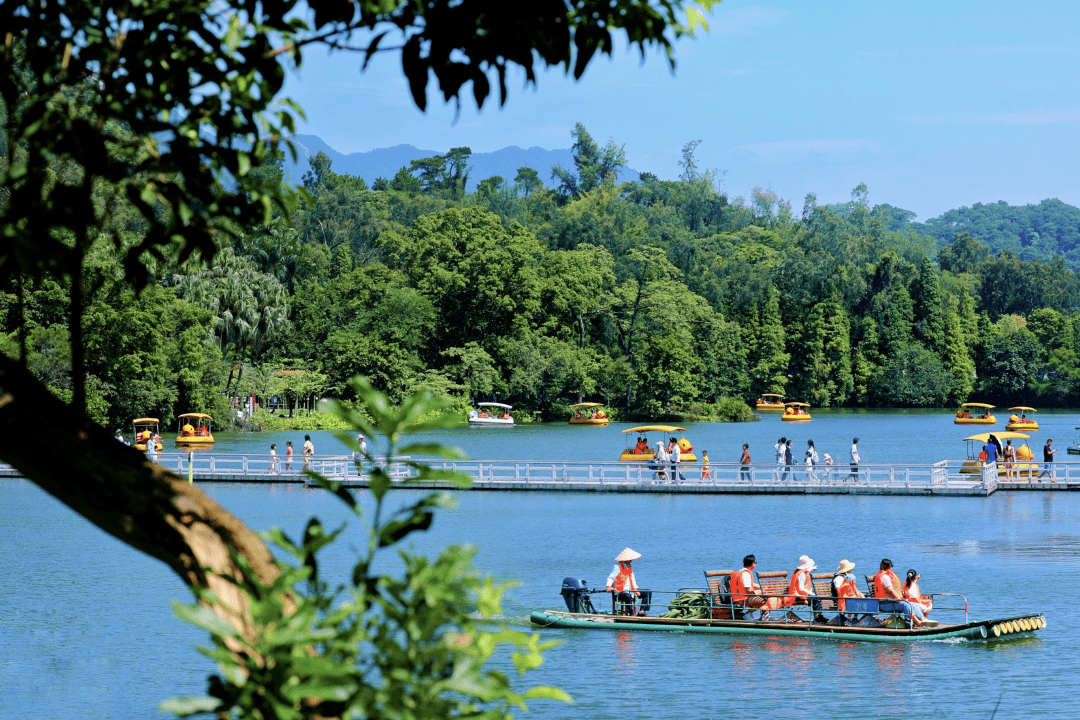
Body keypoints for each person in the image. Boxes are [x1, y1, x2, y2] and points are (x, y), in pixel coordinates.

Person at [873, 559, 924, 627]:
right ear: (890, 567)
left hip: (890, 602)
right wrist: (900, 598)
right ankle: (915, 623)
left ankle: (923, 620)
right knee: (906, 605)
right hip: (884, 604)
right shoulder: (884, 577)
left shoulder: (886, 575)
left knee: (914, 605)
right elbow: (891, 590)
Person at [605, 548, 651, 616]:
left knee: (648, 592)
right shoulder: (617, 567)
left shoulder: (629, 567)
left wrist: (636, 590)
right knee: (628, 596)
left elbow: (633, 580)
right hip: (620, 592)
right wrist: (608, 586)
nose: (631, 560)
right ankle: (631, 613)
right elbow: (611, 577)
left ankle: (642, 611)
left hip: (631, 590)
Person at [785, 555, 825, 620]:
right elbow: (801, 588)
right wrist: (812, 594)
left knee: (815, 597)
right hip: (797, 594)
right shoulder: (802, 574)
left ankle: (818, 616)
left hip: (797, 593)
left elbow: (807, 572)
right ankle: (817, 617)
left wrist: (812, 568)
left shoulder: (800, 571)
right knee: (815, 598)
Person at [832, 559, 864, 625]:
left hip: (847, 597)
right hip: (840, 599)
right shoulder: (838, 578)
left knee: (859, 597)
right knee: (853, 600)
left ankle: (855, 618)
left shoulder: (846, 577)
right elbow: (838, 592)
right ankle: (849, 619)